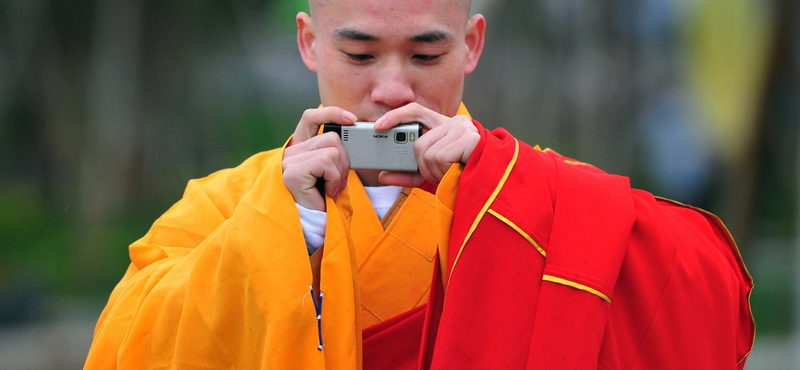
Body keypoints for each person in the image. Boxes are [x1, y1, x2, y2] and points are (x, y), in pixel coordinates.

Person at [84, 0, 755, 369]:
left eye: (427, 55)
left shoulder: (536, 194)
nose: (392, 89)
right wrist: (291, 230)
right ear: (309, 43)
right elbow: (125, 347)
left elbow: (710, 298)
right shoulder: (226, 207)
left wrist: (505, 187)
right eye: (359, 54)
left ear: (472, 45)